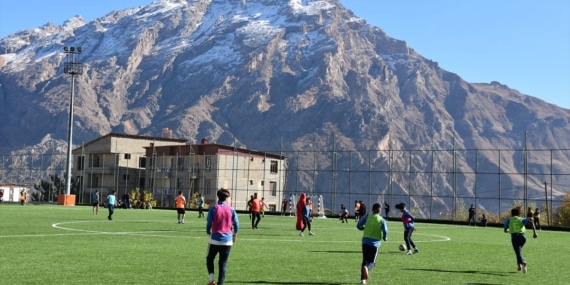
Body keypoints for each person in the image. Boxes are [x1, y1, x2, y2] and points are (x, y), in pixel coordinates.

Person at [206, 188, 239, 285]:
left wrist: (208, 230)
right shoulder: (231, 209)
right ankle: (221, 283)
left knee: (210, 259)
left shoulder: (213, 208)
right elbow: (236, 224)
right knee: (223, 263)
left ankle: (212, 279)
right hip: (227, 240)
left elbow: (209, 222)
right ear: (226, 198)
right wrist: (235, 235)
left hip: (215, 239)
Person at [356, 203, 388, 285]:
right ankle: (367, 268)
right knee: (372, 263)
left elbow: (358, 225)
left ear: (372, 209)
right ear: (379, 210)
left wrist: (363, 228)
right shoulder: (381, 220)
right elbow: (385, 231)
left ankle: (363, 280)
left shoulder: (367, 217)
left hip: (365, 242)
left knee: (364, 260)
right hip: (375, 243)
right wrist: (385, 237)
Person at [504, 206, 537, 273]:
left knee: (518, 252)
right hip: (523, 237)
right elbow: (531, 222)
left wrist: (509, 230)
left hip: (515, 237)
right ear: (518, 214)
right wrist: (534, 233)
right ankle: (519, 265)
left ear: (511, 214)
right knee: (518, 251)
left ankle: (523, 262)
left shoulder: (509, 220)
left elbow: (505, 230)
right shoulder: (521, 219)